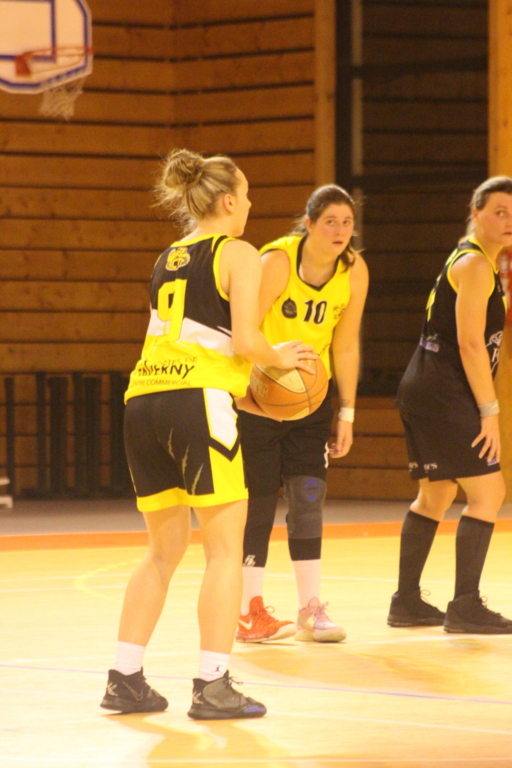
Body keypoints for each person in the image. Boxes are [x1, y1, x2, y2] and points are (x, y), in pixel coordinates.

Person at [100, 148, 315, 719]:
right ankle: (213, 685)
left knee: (161, 551)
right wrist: (281, 357)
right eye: (246, 194)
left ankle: (124, 678)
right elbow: (245, 339)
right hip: (196, 403)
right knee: (224, 551)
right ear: (227, 201)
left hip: (144, 400)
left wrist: (239, 389)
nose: (250, 204)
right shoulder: (238, 252)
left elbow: (192, 341)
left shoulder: (167, 256)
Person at [236, 185, 369, 643]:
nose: (340, 230)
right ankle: (248, 610)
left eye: (347, 222)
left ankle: (311, 609)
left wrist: (346, 412)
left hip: (311, 403)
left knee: (308, 497)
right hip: (258, 397)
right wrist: (246, 388)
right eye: (330, 221)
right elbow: (242, 330)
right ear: (309, 224)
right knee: (257, 502)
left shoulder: (354, 270)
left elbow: (345, 345)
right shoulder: (276, 262)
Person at [389, 176, 512, 634]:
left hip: (424, 386)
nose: (508, 221)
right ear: (476, 213)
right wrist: (489, 411)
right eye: (499, 211)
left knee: (436, 494)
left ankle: (406, 602)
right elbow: (470, 344)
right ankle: (465, 606)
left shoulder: (472, 258)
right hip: (444, 391)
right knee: (489, 493)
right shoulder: (476, 265)